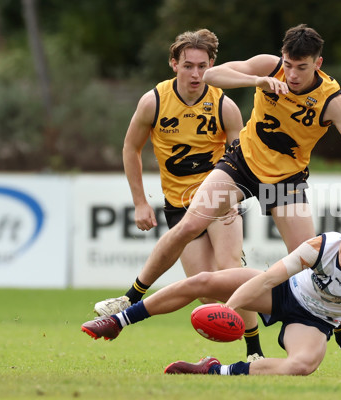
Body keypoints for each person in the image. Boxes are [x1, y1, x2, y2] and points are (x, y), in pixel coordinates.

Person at [93, 24, 341, 376]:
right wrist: (257, 81)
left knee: (315, 270)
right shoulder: (269, 66)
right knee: (188, 224)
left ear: (319, 63)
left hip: (284, 182)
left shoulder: (333, 102)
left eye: (302, 67)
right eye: (288, 64)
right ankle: (129, 298)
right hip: (241, 166)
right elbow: (215, 74)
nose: (292, 74)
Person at [81, 210, 341, 379]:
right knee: (204, 281)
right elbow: (269, 277)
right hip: (285, 293)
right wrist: (229, 308)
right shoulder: (322, 245)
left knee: (302, 366)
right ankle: (118, 320)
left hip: (316, 321)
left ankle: (215, 370)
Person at [94, 28, 263, 361]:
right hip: (178, 205)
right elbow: (130, 148)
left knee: (229, 268)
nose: (196, 73)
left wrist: (236, 195)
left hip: (217, 200)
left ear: (212, 65)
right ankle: (265, 309)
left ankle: (254, 351)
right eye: (188, 65)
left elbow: (241, 158)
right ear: (174, 64)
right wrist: (141, 202)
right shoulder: (153, 101)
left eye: (202, 66)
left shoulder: (224, 106)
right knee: (205, 290)